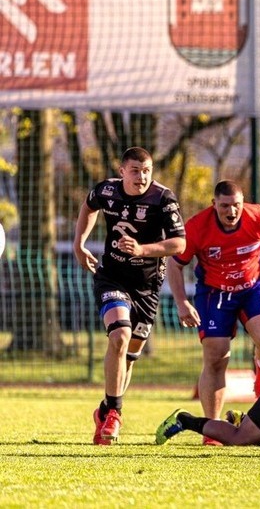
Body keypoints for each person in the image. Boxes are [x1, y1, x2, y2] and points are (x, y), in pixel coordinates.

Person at [73, 147, 186, 445]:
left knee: (130, 355)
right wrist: (79, 243)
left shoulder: (163, 199)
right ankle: (116, 413)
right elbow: (89, 206)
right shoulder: (107, 190)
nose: (142, 176)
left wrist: (142, 250)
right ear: (122, 171)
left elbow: (179, 244)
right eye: (135, 170)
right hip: (112, 276)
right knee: (120, 337)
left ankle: (104, 410)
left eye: (146, 170)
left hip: (148, 286)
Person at [165, 180, 260, 444]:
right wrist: (182, 302)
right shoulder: (196, 227)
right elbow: (174, 266)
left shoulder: (259, 217)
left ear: (244, 203)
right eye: (225, 206)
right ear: (214, 204)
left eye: (236, 205)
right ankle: (213, 429)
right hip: (215, 292)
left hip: (254, 287)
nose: (231, 212)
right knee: (216, 356)